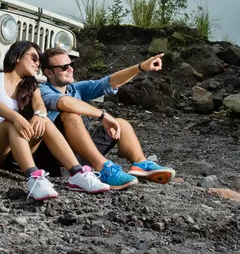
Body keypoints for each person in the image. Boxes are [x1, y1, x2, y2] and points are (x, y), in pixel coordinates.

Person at [0, 41, 110, 201]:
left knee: (43, 121)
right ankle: (33, 178)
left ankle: (77, 174)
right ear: (17, 56)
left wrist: (39, 114)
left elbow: (39, 105)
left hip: (16, 149)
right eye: (33, 58)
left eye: (39, 61)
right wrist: (17, 117)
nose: (37, 64)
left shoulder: (31, 86)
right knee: (11, 123)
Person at [38, 47, 176, 190]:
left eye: (71, 65)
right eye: (65, 67)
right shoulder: (42, 90)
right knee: (70, 114)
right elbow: (64, 102)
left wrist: (140, 67)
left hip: (78, 151)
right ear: (48, 72)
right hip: (54, 155)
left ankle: (141, 164)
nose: (71, 69)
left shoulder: (75, 89)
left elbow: (111, 82)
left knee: (121, 123)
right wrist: (102, 114)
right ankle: (103, 169)